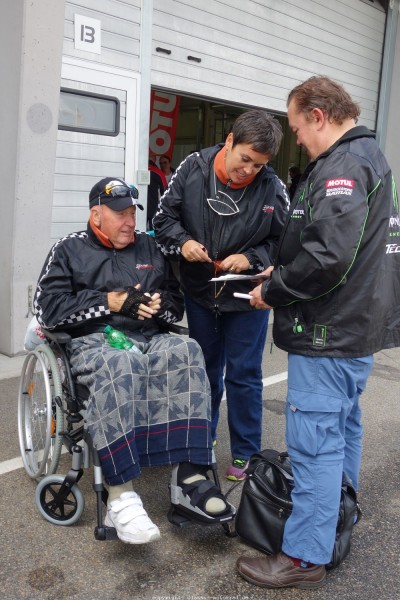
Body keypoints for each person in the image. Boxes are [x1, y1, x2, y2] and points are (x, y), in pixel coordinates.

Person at [237, 76, 400, 589]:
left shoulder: (344, 168)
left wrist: (275, 289)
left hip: (329, 333)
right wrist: (278, 270)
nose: (297, 140)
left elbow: (329, 257)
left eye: (296, 127)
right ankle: (336, 522)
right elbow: (336, 249)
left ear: (319, 115)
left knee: (313, 444)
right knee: (341, 432)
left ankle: (304, 556)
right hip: (354, 330)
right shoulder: (369, 158)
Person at [34, 177, 234, 545]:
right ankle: (120, 494)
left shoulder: (149, 246)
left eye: (132, 213)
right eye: (120, 214)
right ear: (96, 214)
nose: (130, 221)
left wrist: (160, 308)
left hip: (147, 336)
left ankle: (189, 479)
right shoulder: (68, 250)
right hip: (94, 343)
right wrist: (107, 302)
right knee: (120, 366)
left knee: (187, 352)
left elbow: (174, 302)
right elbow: (46, 310)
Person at [153, 110, 290, 481]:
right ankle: (203, 443)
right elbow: (162, 219)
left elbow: (284, 243)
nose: (248, 170)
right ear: (229, 141)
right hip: (200, 293)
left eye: (258, 165)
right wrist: (183, 243)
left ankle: (246, 454)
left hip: (246, 298)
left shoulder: (273, 188)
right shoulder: (192, 169)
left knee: (244, 375)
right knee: (204, 374)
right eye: (245, 159)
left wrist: (252, 258)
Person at [147, 151, 167, 229]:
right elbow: (165, 189)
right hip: (153, 205)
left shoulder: (137, 167)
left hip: (138, 203)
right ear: (155, 160)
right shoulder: (157, 171)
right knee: (153, 228)